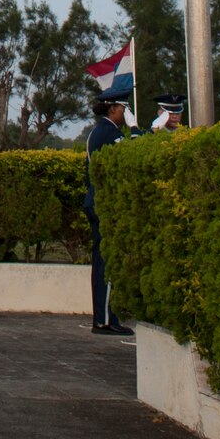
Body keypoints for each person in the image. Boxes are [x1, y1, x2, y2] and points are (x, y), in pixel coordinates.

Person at [84, 85, 135, 337]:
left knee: (103, 262)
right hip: (103, 205)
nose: (126, 113)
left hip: (98, 203)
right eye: (124, 109)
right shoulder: (107, 132)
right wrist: (135, 129)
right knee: (106, 263)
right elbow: (133, 153)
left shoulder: (102, 131)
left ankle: (105, 318)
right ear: (113, 108)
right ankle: (104, 320)